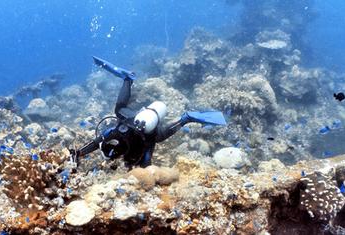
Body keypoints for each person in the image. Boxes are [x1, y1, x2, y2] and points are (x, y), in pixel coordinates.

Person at [72, 57, 228, 168]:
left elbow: (146, 164)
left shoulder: (116, 135)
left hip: (148, 130)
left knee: (160, 137)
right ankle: (127, 79)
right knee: (119, 109)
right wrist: (79, 153)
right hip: (134, 118)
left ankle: (186, 118)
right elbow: (96, 144)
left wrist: (79, 153)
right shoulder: (112, 133)